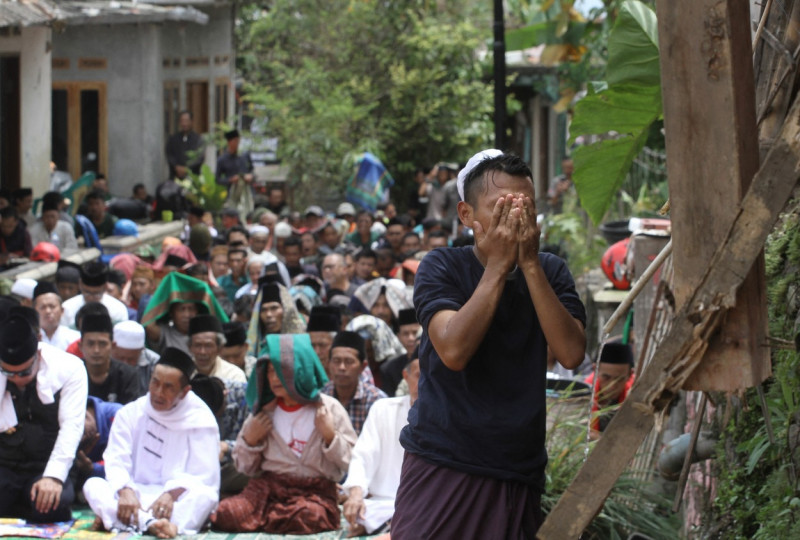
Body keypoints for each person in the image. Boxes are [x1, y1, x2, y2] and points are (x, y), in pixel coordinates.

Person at [392, 150, 587, 538]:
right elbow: (453, 351)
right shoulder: (442, 266)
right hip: (443, 457)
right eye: (501, 207)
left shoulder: (550, 270)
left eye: (524, 207)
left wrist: (528, 264)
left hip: (516, 466)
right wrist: (498, 265)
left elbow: (571, 353)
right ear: (467, 215)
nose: (514, 217)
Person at [211, 334, 356, 535]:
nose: (273, 378)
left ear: (299, 371)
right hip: (267, 490)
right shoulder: (264, 411)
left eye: (280, 371)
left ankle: (270, 519)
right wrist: (249, 441)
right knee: (228, 513)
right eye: (269, 371)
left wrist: (330, 435)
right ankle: (274, 517)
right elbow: (244, 467)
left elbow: (350, 461)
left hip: (315, 493)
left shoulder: (328, 409)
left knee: (309, 516)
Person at [82, 348, 220, 538]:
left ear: (184, 391)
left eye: (168, 387)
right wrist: (125, 490)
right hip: (134, 494)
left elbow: (204, 474)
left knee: (206, 497)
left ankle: (119, 519)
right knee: (93, 485)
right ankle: (154, 524)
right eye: (155, 382)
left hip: (176, 499)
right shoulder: (131, 413)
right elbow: (116, 460)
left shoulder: (200, 418)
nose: (158, 392)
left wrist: (171, 494)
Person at [0, 315, 88, 522]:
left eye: (24, 372)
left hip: (45, 465)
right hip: (5, 463)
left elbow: (71, 428)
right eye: (8, 373)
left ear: (38, 354)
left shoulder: (69, 368)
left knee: (50, 506)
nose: (16, 379)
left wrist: (53, 476)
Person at [343, 353, 420, 536]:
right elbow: (363, 455)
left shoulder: (446, 418)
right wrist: (356, 493)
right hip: (382, 506)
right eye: (418, 375)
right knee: (360, 515)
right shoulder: (383, 409)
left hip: (424, 507)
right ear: (406, 376)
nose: (424, 383)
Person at [141, 272, 228, 357]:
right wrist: (168, 284)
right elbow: (149, 324)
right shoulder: (166, 333)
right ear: (172, 313)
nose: (187, 315)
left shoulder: (206, 335)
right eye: (181, 309)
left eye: (191, 309)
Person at [321, 331, 386, 435]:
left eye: (349, 361)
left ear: (362, 367)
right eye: (336, 361)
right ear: (328, 364)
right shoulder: (322, 397)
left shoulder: (376, 400)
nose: (342, 367)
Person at [80, 313, 140, 405]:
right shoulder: (72, 373)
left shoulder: (128, 375)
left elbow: (131, 414)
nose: (96, 350)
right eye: (90, 344)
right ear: (81, 346)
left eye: (102, 344)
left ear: (113, 346)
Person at [584, 340, 636, 436]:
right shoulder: (583, 395)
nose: (612, 386)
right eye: (606, 378)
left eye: (619, 379)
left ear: (630, 374)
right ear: (595, 370)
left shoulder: (635, 396)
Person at [61, 261, 130, 329]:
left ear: (105, 287)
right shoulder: (67, 308)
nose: (91, 298)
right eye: (87, 292)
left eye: (96, 293)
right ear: (80, 285)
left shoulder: (118, 310)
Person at [187, 314, 247, 384]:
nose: (202, 352)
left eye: (208, 346)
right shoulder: (182, 374)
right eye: (197, 345)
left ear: (219, 348)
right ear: (190, 347)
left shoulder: (233, 375)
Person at [112, 320, 160, 397]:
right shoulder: (101, 360)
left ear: (141, 350)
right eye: (121, 358)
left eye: (131, 359)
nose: (125, 363)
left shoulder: (155, 363)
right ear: (112, 347)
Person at [34, 281, 80, 349]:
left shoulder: (75, 338)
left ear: (62, 310)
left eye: (52, 306)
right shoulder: (30, 339)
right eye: (43, 307)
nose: (48, 311)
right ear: (35, 312)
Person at [165, 110, 204, 180]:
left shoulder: (198, 139)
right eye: (182, 121)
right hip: (175, 176)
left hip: (193, 177)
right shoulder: (173, 139)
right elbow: (169, 154)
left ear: (192, 122)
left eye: (186, 121)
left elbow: (199, 157)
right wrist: (176, 167)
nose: (184, 123)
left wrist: (187, 169)